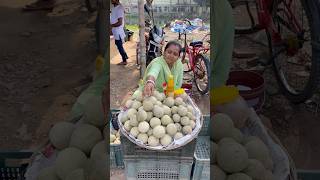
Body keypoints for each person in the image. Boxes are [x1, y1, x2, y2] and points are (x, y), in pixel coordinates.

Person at [110, 0, 129, 65]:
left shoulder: (119, 8)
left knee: (119, 46)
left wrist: (110, 25)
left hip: (118, 32)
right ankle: (125, 58)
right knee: (119, 45)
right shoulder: (114, 8)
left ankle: (124, 60)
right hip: (115, 31)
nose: (111, 0)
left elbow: (120, 22)